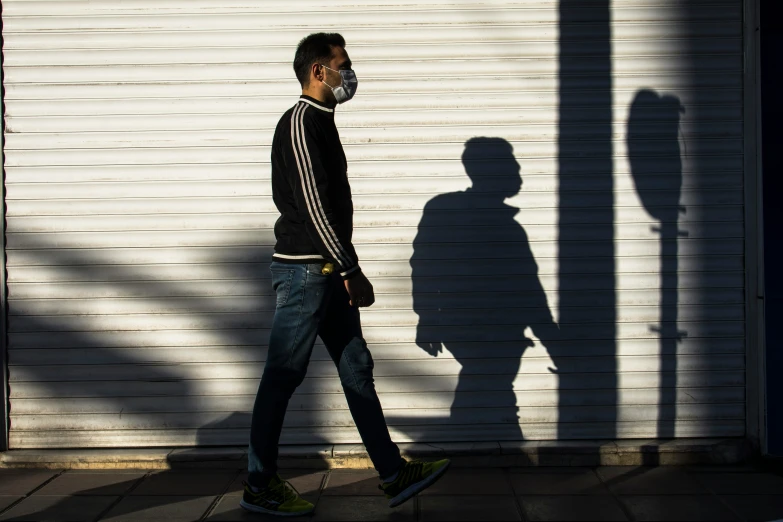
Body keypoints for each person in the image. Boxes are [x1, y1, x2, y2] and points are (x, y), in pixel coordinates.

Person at [241, 32, 450, 517]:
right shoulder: (300, 123)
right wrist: (352, 269)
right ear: (319, 71)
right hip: (305, 273)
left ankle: (393, 472)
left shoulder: (322, 122)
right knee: (282, 376)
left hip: (327, 271)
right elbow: (315, 208)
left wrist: (343, 268)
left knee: (356, 366)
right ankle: (259, 485)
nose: (350, 75)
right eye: (343, 65)